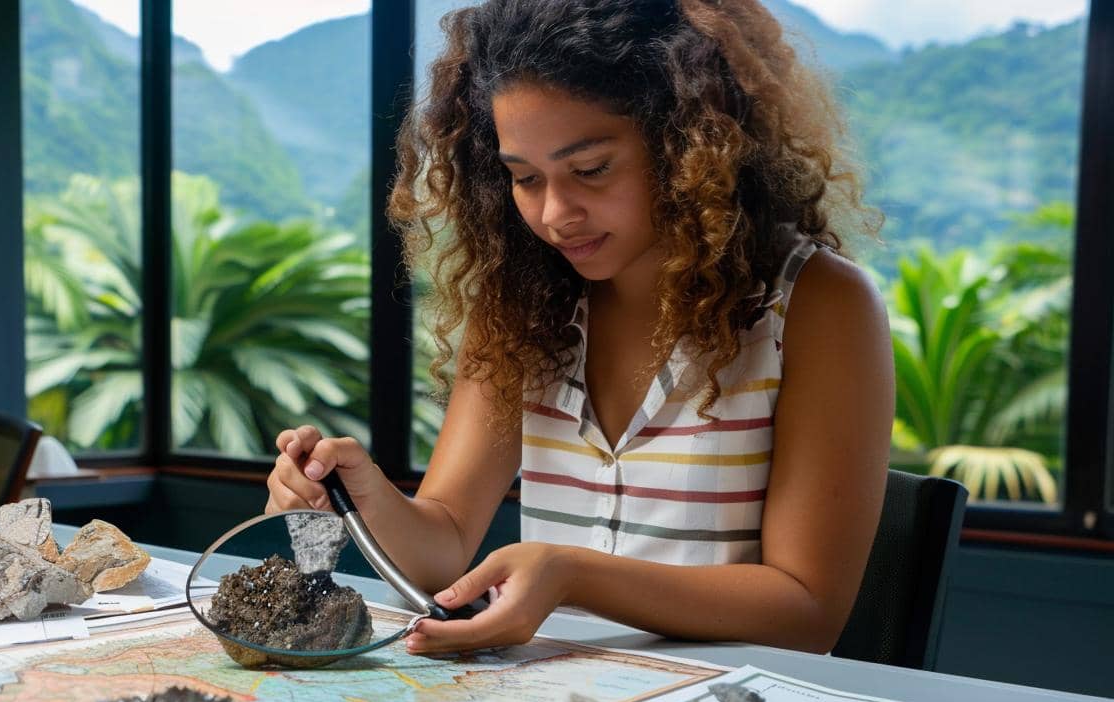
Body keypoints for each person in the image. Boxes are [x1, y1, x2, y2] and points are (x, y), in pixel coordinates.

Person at [265, 0, 893, 655]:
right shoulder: (522, 307)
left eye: (591, 170)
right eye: (524, 178)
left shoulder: (816, 305)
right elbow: (443, 549)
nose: (555, 213)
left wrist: (572, 576)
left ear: (686, 143)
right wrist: (362, 495)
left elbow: (807, 609)